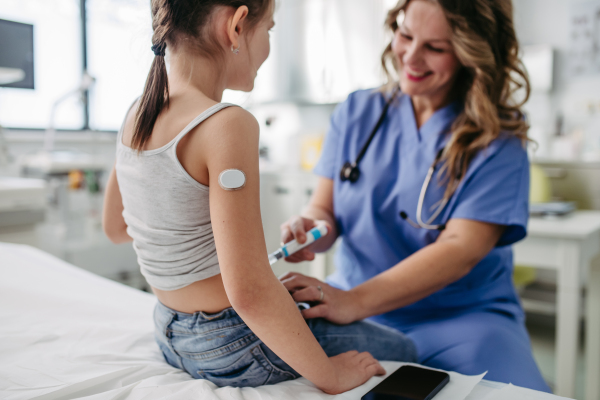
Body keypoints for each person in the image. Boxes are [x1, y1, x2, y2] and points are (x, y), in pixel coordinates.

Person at [102, 0, 416, 393]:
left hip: (169, 330)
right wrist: (331, 376)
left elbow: (116, 227)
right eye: (268, 29)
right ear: (236, 26)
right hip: (230, 342)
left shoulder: (138, 112)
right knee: (404, 348)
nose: (267, 44)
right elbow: (249, 292)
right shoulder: (226, 124)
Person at [279, 0, 551, 393]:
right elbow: (325, 207)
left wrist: (353, 300)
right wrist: (314, 227)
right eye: (405, 35)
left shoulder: (498, 138)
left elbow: (461, 248)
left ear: (471, 53)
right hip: (358, 314)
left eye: (435, 48)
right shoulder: (358, 111)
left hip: (461, 319)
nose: (411, 56)